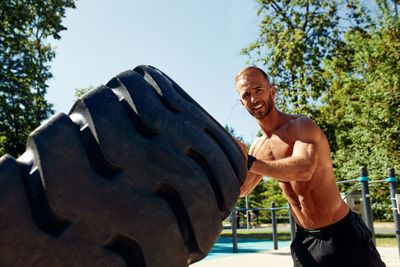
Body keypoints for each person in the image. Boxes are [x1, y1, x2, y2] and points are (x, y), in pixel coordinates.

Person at [234, 66, 385, 267]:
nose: (254, 99)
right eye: (247, 95)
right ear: (242, 102)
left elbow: (303, 169)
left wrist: (250, 163)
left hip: (342, 234)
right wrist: (229, 156)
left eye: (258, 90)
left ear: (272, 91)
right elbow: (243, 189)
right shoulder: (258, 148)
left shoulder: (301, 125)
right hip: (305, 241)